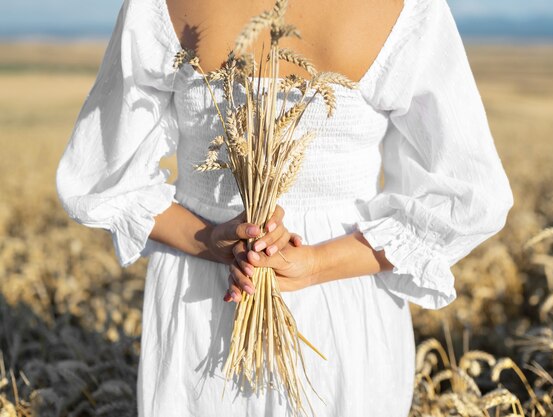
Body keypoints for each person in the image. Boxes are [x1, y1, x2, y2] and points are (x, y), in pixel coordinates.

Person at [56, 0, 514, 415]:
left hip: (205, 298)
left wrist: (216, 242)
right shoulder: (408, 10)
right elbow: (470, 197)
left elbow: (101, 178)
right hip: (346, 302)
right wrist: (312, 264)